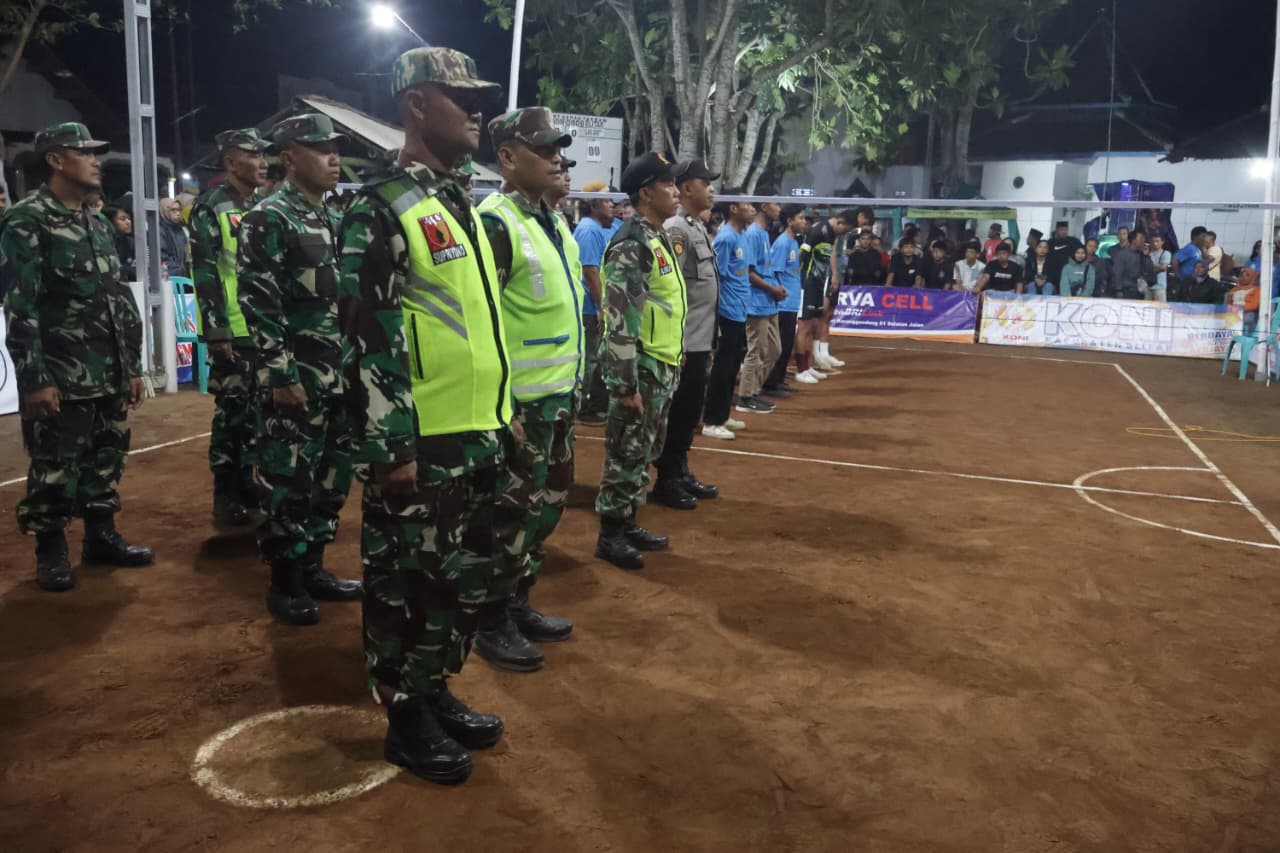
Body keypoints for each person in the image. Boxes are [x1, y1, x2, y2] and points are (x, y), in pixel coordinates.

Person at [338, 46, 523, 785]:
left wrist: (502, 413)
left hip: (479, 429)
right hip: (421, 440)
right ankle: (404, 715)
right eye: (459, 94)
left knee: (464, 576)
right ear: (416, 103)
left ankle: (434, 684)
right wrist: (391, 446)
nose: (476, 108)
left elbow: (477, 325)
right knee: (406, 581)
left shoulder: (461, 205)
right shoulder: (380, 202)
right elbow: (367, 333)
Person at [0, 122, 153, 592]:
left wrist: (132, 366)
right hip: (62, 372)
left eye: (96, 152)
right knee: (55, 463)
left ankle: (101, 536)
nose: (96, 160)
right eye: (84, 152)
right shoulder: (27, 220)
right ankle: (51, 550)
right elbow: (20, 306)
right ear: (55, 160)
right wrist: (35, 380)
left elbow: (116, 301)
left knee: (107, 455)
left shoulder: (95, 221)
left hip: (107, 368)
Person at [236, 113, 362, 627]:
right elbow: (259, 303)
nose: (334, 158)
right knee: (289, 479)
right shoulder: (270, 218)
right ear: (289, 158)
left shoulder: (334, 216)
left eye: (336, 149)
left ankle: (313, 567)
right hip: (297, 379)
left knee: (331, 480)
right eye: (321, 149)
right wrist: (281, 374)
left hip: (339, 376)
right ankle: (284, 583)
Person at [475, 107, 581, 671]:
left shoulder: (550, 220)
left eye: (557, 150)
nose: (557, 159)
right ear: (509, 159)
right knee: (510, 514)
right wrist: (503, 402)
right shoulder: (495, 221)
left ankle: (518, 600)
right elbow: (482, 317)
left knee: (547, 510)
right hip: (521, 404)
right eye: (544, 150)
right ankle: (491, 619)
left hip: (557, 398)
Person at [593, 152, 685, 570]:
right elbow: (619, 320)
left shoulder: (656, 236)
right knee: (626, 452)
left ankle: (628, 520)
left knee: (645, 448)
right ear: (646, 192)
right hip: (642, 367)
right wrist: (624, 384)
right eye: (668, 184)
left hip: (662, 364)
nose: (677, 191)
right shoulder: (632, 241)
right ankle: (610, 534)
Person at [191, 127, 270, 526]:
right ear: (230, 162)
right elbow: (205, 273)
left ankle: (247, 485)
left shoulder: (261, 205)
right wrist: (217, 331)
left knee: (259, 415)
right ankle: (226, 495)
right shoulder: (212, 207)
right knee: (233, 416)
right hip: (234, 331)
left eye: (263, 155)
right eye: (252, 155)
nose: (262, 162)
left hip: (262, 328)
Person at [654, 159, 721, 506]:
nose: (711, 189)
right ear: (686, 188)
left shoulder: (696, 227)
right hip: (685, 341)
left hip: (700, 338)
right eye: (705, 182)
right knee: (678, 412)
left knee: (690, 411)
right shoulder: (677, 229)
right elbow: (672, 289)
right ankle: (667, 479)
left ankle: (680, 469)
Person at [702, 192, 754, 438]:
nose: (751, 208)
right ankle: (711, 420)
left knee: (733, 365)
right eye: (747, 204)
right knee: (722, 367)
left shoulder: (741, 235)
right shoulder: (725, 238)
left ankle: (723, 414)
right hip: (727, 311)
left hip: (740, 309)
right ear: (733, 208)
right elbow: (716, 275)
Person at [572, 181, 615, 425]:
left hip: (594, 305)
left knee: (595, 357)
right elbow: (590, 272)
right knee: (591, 358)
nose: (612, 206)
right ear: (595, 204)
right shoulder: (590, 230)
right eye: (608, 201)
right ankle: (586, 407)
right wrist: (601, 307)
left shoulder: (595, 228)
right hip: (590, 306)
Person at [737, 206, 786, 414]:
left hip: (768, 300)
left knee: (774, 350)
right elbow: (748, 272)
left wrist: (776, 287)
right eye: (777, 204)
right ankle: (745, 397)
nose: (780, 208)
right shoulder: (753, 234)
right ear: (764, 206)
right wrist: (771, 289)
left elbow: (764, 269)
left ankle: (754, 391)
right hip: (756, 302)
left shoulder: (764, 234)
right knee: (755, 351)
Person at [795, 210, 853, 382]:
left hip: (819, 283)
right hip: (807, 283)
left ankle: (807, 366)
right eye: (846, 229)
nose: (844, 233)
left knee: (813, 324)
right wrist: (793, 276)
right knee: (804, 326)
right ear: (840, 222)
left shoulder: (830, 235)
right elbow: (802, 254)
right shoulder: (817, 231)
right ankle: (801, 370)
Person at [763, 204, 808, 397]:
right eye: (800, 218)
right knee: (779, 346)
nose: (804, 222)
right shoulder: (782, 243)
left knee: (787, 344)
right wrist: (778, 294)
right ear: (790, 221)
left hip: (791, 303)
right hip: (783, 304)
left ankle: (779, 380)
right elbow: (773, 271)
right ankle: (770, 384)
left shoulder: (793, 242)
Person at [1110, 231, 1156, 299]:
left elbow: (1150, 270)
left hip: (1140, 291)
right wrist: (1118, 290)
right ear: (1134, 240)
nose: (1143, 241)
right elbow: (1117, 273)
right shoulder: (1122, 255)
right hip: (1126, 291)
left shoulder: (1142, 255)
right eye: (1141, 239)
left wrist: (1146, 256)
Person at [1043, 220, 1083, 286]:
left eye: (1066, 230)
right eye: (1061, 230)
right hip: (1052, 274)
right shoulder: (1050, 243)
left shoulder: (1073, 241)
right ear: (1057, 230)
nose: (1064, 232)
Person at [159, 197, 190, 277]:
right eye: (173, 210)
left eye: (179, 210)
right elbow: (162, 258)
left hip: (183, 275)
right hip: (169, 277)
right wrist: (180, 270)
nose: (178, 213)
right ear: (165, 211)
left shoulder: (181, 229)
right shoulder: (160, 230)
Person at [105, 205, 136, 280]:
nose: (128, 222)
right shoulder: (105, 241)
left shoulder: (128, 241)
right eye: (122, 219)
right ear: (110, 221)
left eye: (129, 218)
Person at [1228, 268, 1261, 334]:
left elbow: (1254, 305)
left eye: (1247, 275)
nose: (1243, 277)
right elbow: (1229, 303)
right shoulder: (1234, 290)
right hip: (1233, 312)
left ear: (1253, 277)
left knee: (1246, 317)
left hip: (1248, 313)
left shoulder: (1257, 290)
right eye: (1242, 275)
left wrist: (1239, 309)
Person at [1147, 234, 1171, 302]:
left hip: (1160, 287)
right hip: (1148, 287)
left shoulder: (1166, 253)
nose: (1155, 243)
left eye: (1157, 241)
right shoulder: (1148, 253)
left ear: (1162, 242)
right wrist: (1158, 266)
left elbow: (1163, 267)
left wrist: (1151, 266)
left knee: (1160, 309)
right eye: (1153, 241)